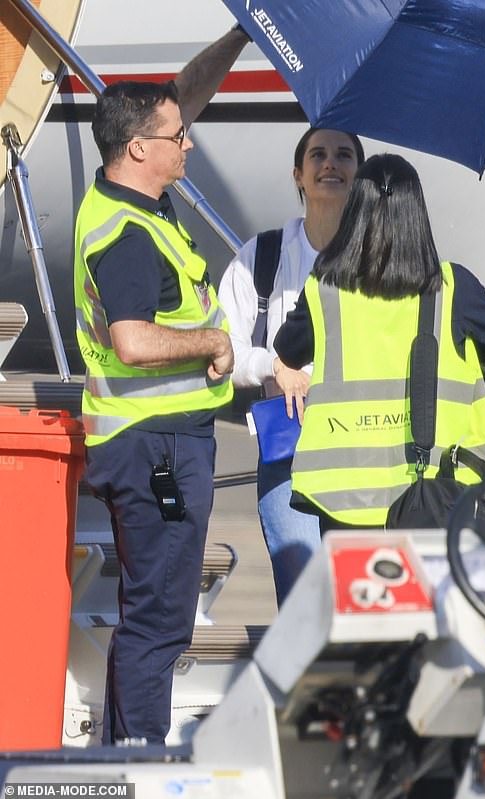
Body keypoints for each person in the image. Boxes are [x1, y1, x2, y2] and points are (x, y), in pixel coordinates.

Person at [73, 27, 249, 746]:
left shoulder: (133, 191)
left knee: (150, 618)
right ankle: (139, 765)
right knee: (158, 623)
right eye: (178, 137)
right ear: (139, 148)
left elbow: (181, 97)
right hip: (156, 451)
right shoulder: (126, 234)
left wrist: (241, 34)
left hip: (155, 444)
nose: (191, 142)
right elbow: (133, 339)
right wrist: (211, 339)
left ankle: (124, 756)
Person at [273, 153, 485, 530]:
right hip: (435, 493)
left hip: (344, 495)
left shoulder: (324, 289)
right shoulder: (453, 288)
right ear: (417, 214)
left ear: (354, 213)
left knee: (354, 591)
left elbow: (288, 349)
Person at [218, 127, 365, 604]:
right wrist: (272, 367)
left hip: (368, 455)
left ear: (359, 175)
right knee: (303, 595)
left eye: (344, 156)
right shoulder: (260, 258)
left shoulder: (381, 259)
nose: (331, 164)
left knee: (361, 599)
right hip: (290, 452)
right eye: (318, 155)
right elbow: (223, 348)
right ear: (298, 175)